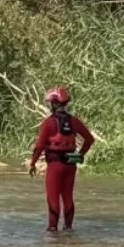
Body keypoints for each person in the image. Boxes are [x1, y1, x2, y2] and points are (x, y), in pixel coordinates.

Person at [29, 87, 94, 233]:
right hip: (71, 164)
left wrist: (32, 163)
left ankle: (52, 230)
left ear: (53, 103)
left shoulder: (48, 123)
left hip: (54, 165)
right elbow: (90, 139)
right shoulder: (74, 121)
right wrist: (80, 154)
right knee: (68, 197)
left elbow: (39, 146)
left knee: (53, 198)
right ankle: (69, 228)